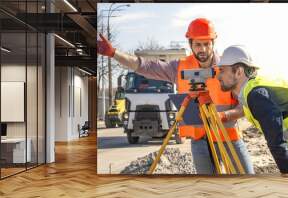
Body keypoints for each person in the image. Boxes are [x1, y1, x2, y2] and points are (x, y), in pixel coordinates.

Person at [97, 18, 254, 174]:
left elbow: (245, 107)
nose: (203, 49)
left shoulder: (227, 67)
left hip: (229, 138)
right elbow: (145, 66)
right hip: (200, 142)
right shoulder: (180, 67)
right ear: (190, 44)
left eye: (207, 44)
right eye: (198, 44)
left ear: (213, 43)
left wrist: (224, 116)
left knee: (246, 182)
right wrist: (114, 53)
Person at [217, 45, 288, 174]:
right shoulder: (255, 87)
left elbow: (278, 145)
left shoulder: (256, 95)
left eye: (222, 70)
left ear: (239, 72)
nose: (218, 76)